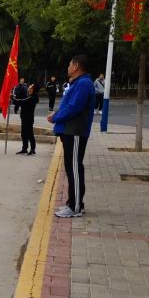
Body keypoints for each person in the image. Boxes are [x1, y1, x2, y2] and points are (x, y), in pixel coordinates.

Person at [48, 56, 95, 217]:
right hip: (70, 131)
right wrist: (57, 114)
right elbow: (68, 105)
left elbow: (74, 107)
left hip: (75, 131)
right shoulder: (78, 83)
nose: (68, 67)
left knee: (74, 168)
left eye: (69, 64)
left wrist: (56, 117)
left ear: (76, 66)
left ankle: (75, 207)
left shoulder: (84, 84)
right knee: (71, 167)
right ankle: (73, 203)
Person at [16, 83, 40, 155]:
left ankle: (33, 149)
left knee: (29, 134)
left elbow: (21, 101)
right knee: (23, 134)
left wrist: (12, 98)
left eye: (31, 86)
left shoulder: (33, 97)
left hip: (28, 118)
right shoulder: (28, 95)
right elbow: (20, 98)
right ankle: (24, 148)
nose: (29, 87)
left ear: (33, 89)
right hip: (24, 117)